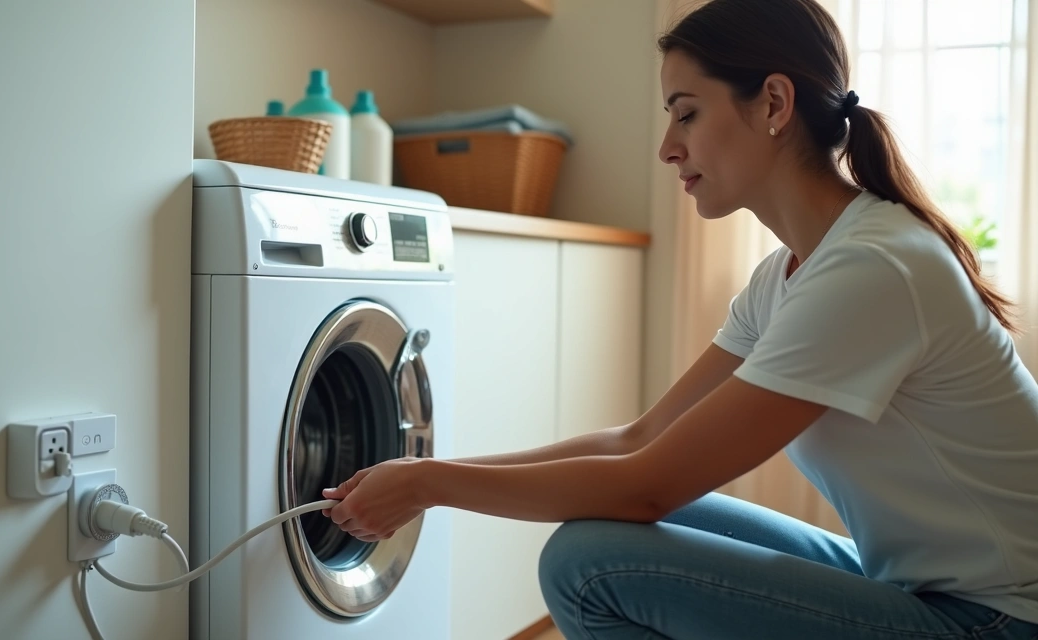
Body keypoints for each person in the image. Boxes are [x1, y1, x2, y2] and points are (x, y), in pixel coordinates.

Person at [322, 0, 1038, 637]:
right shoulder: (789, 274)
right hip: (919, 587)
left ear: (774, 103)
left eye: (686, 111)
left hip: (997, 616)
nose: (668, 146)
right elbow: (639, 440)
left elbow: (647, 483)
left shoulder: (873, 266)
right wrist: (424, 472)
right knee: (605, 527)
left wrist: (428, 488)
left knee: (588, 563)